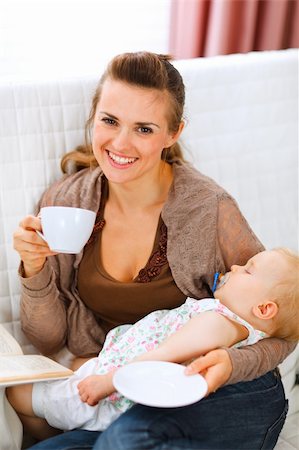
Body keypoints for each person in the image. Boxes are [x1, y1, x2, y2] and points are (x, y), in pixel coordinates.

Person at [13, 51, 295, 449]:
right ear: (94, 117)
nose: (120, 143)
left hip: (222, 388)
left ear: (173, 133)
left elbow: (284, 319)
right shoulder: (67, 202)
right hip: (122, 396)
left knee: (129, 440)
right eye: (109, 121)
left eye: (144, 129)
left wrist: (232, 362)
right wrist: (34, 268)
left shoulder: (209, 207)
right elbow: (46, 339)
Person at [7, 248, 299, 441]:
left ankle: (50, 435)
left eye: (247, 270)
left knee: (18, 395)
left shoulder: (217, 324)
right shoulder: (227, 324)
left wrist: (108, 381)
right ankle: (62, 427)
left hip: (111, 395)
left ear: (264, 310)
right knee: (60, 377)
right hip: (112, 380)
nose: (234, 265)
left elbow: (164, 356)